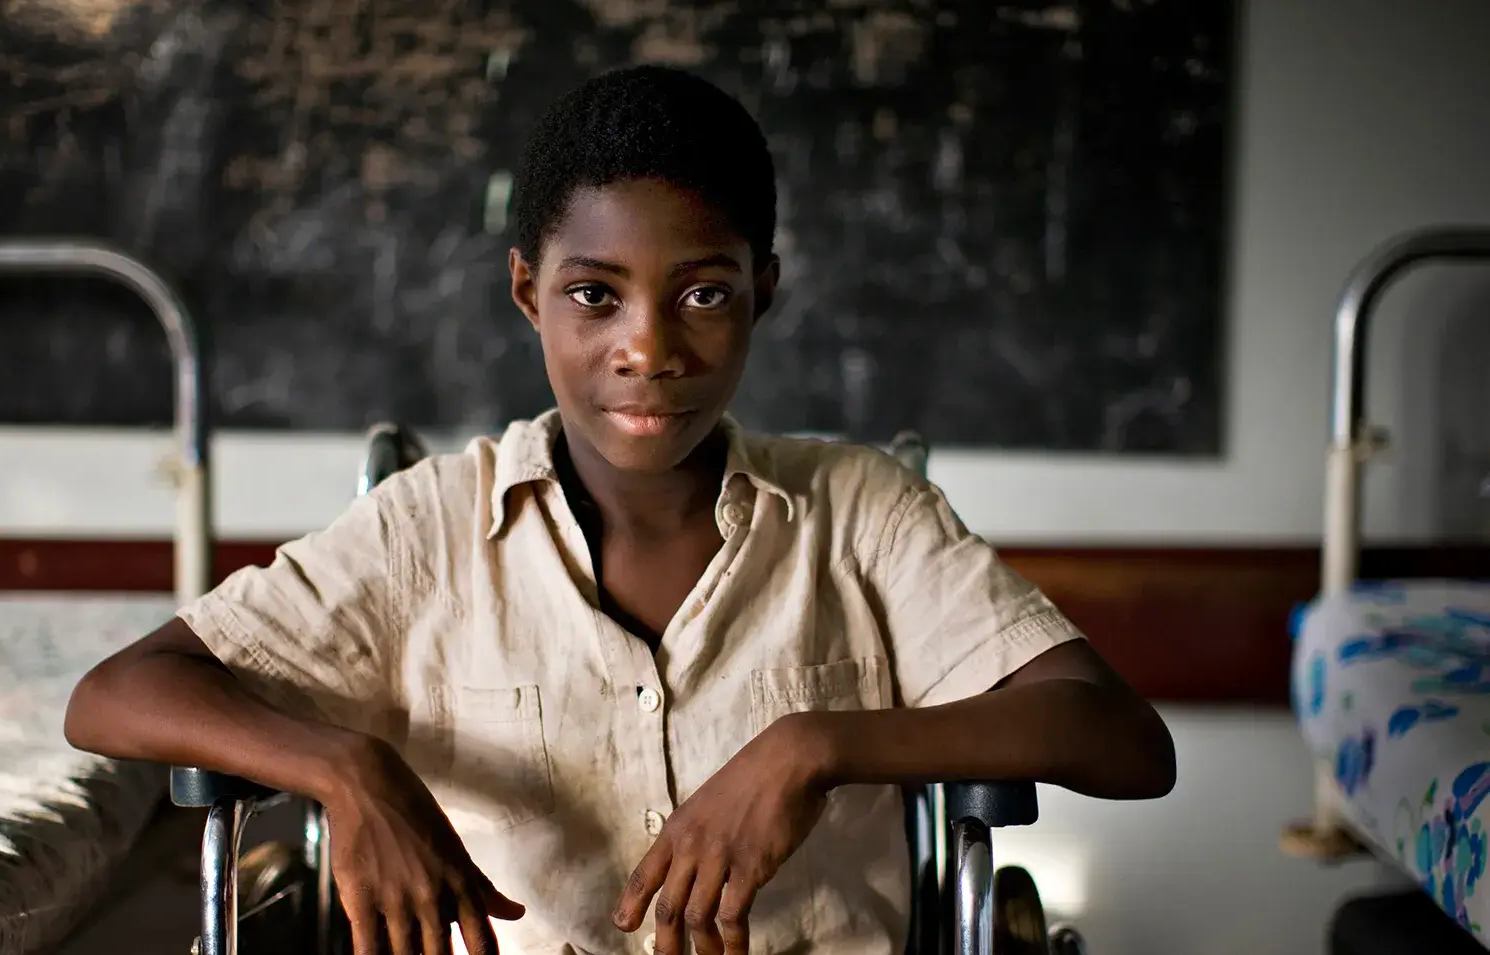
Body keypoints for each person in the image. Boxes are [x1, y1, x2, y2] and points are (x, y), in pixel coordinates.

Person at [64, 64, 1176, 955]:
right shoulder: (430, 530)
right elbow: (119, 693)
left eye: (703, 293)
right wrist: (344, 768)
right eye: (594, 295)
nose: (647, 348)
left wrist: (815, 746)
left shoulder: (862, 514)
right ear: (526, 293)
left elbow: (1121, 738)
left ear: (763, 294)